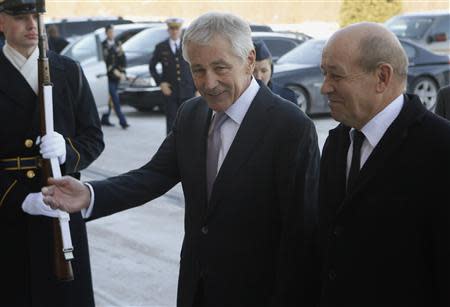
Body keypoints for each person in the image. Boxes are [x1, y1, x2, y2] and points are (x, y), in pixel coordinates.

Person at [39, 12, 320, 307]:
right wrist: (89, 194)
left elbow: (300, 233)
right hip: (196, 288)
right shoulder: (192, 114)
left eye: (220, 68)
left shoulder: (290, 127)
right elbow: (152, 176)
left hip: (258, 293)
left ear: (250, 60)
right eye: (197, 70)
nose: (208, 83)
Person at [317, 22, 450, 306]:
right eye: (323, 73)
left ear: (382, 76)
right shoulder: (338, 142)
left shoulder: (440, 149)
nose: (325, 87)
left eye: (336, 75)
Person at [0, 1, 104, 306]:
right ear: (1, 22)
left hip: (61, 208)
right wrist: (20, 199)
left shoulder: (67, 71)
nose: (33, 24)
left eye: (37, 16)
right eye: (21, 17)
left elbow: (93, 137)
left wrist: (67, 152)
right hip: (8, 209)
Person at [149, 17, 196, 135]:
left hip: (188, 90)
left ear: (181, 30)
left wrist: (198, 88)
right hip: (170, 92)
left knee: (188, 122)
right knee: (171, 123)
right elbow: (152, 66)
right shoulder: (161, 47)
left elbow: (196, 67)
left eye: (177, 29)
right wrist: (161, 83)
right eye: (172, 29)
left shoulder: (188, 46)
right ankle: (171, 151)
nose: (174, 31)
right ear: (168, 30)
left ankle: (187, 150)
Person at [100, 24, 129, 129]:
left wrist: (123, 72)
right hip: (108, 76)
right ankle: (123, 121)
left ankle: (105, 118)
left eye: (113, 32)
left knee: (110, 98)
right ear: (106, 33)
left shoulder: (118, 44)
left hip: (117, 76)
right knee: (115, 98)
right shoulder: (103, 45)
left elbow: (123, 58)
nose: (112, 34)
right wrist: (114, 71)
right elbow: (106, 61)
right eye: (110, 32)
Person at [253, 40, 297, 104]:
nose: (258, 77)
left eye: (264, 71)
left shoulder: (287, 96)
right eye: (253, 71)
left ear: (271, 70)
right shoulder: (238, 97)